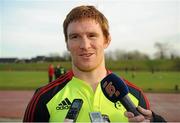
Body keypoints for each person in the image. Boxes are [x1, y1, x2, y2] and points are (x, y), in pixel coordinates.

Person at [23, 5, 166, 122]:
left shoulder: (135, 95)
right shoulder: (43, 97)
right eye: (75, 37)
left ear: (107, 40)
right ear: (67, 44)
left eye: (92, 35)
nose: (85, 45)